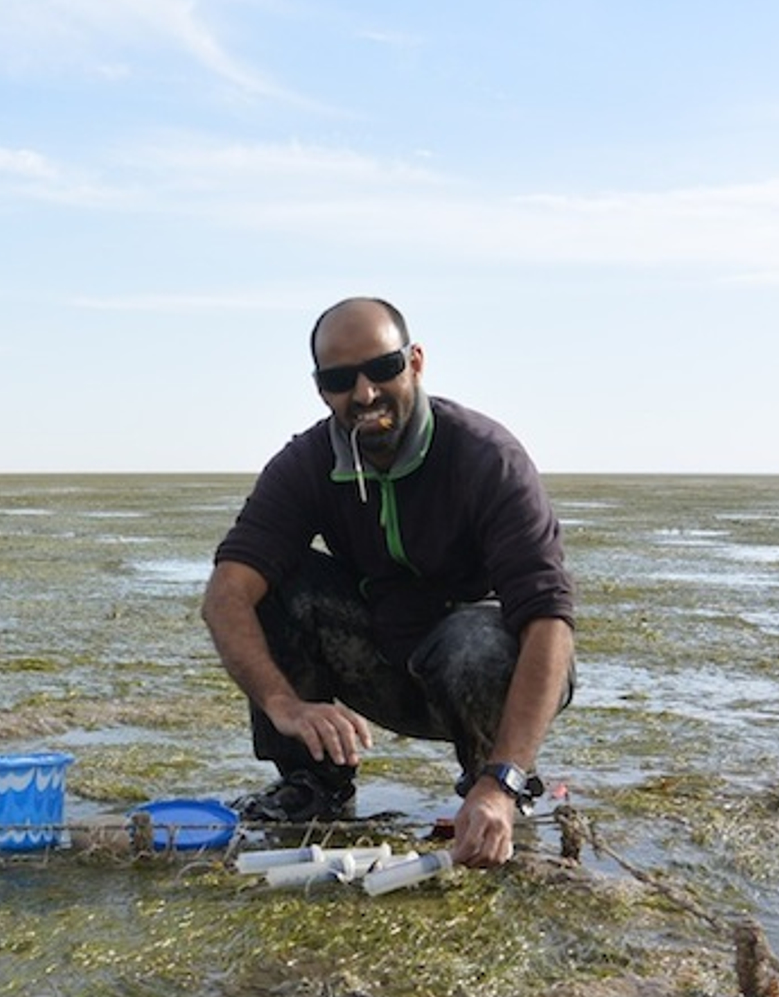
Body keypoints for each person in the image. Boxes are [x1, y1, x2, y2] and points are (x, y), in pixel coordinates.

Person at [201, 296, 575, 868]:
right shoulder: (305, 465)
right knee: (276, 584)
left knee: (476, 642)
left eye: (382, 368)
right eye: (340, 379)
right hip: (386, 663)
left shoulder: (487, 458)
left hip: (485, 672)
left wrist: (504, 777)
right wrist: (285, 705)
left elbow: (549, 622)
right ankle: (314, 784)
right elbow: (226, 594)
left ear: (416, 362)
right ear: (320, 388)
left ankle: (493, 791)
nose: (365, 393)